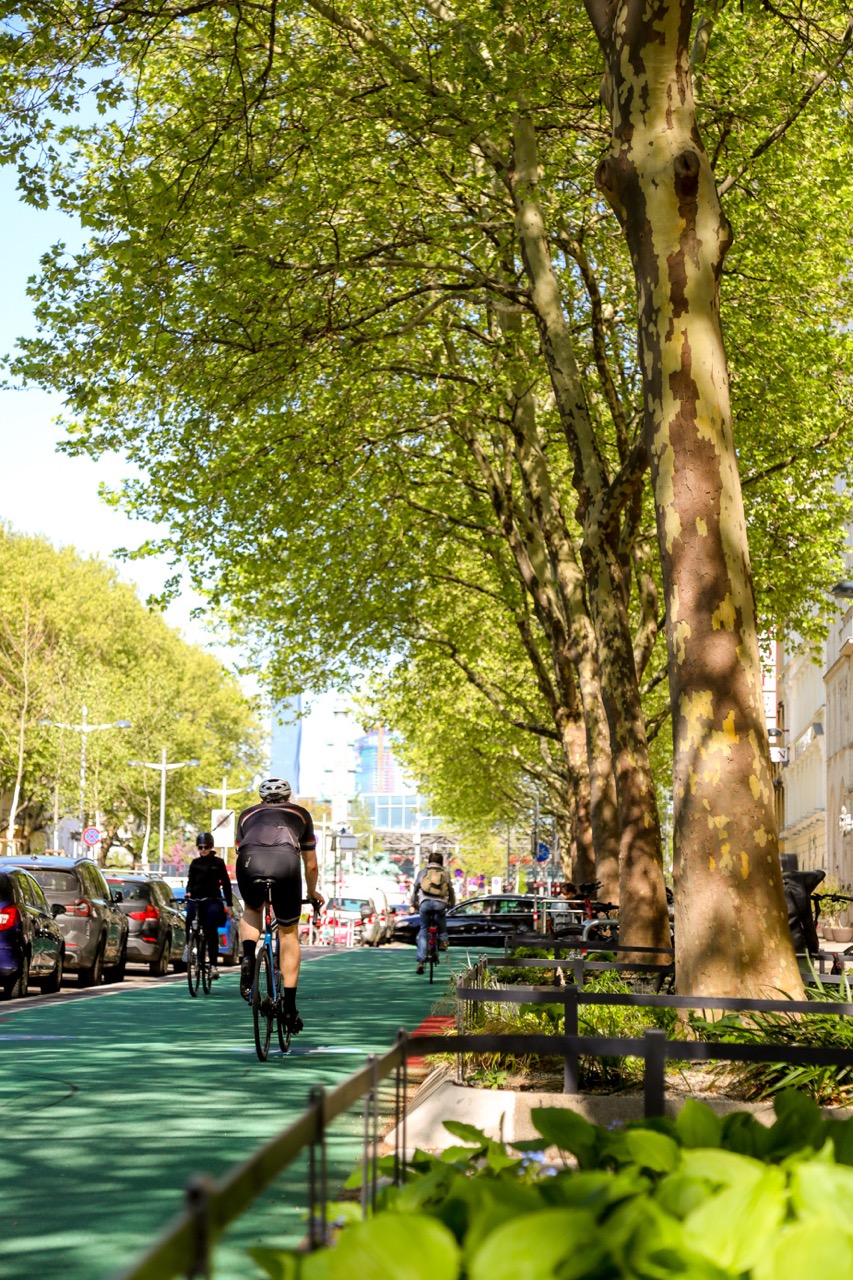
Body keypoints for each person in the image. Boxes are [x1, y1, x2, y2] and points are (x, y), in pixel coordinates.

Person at [235, 777, 323, 1033]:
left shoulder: (246, 815)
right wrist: (312, 891)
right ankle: (290, 1008)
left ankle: (248, 957)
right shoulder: (300, 813)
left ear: (262, 798)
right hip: (285, 862)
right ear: (288, 797)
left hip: (249, 861)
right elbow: (311, 863)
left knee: (252, 909)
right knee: (287, 932)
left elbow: (239, 851)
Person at [185, 832, 233, 979]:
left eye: (206, 847)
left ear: (211, 847)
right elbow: (190, 882)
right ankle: (189, 946)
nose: (203, 850)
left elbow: (226, 884)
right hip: (197, 899)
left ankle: (213, 965)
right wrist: (188, 893)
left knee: (211, 929)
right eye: (201, 847)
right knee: (189, 915)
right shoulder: (195, 864)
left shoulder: (218, 863)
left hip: (213, 900)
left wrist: (229, 904)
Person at [410, 851, 455, 974]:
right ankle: (443, 941)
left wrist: (414, 903)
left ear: (429, 861)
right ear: (441, 862)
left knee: (424, 929)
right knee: (441, 924)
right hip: (440, 904)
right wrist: (452, 904)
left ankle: (420, 961)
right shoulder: (445, 874)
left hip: (425, 904)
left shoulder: (423, 873)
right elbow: (450, 890)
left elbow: (415, 889)